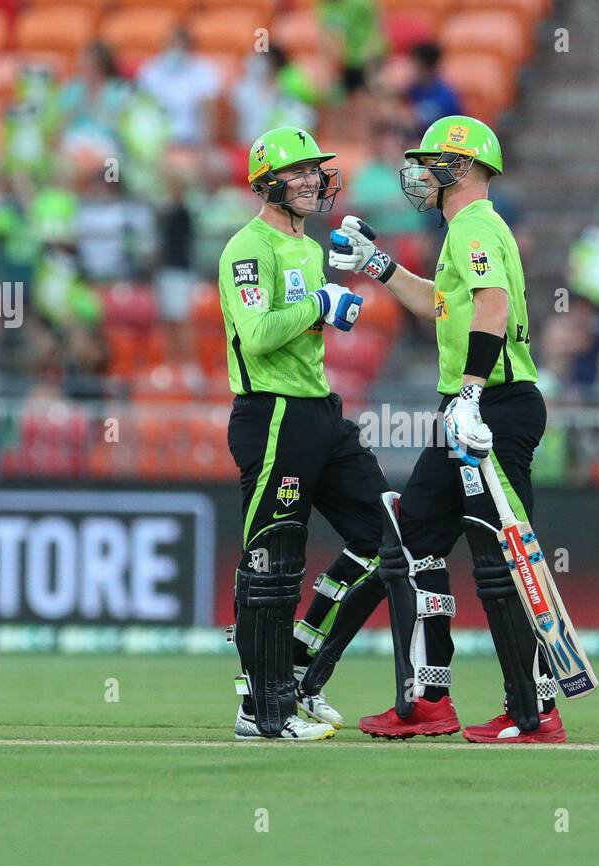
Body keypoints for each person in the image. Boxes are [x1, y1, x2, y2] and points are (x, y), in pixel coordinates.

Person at [329, 116, 567, 743]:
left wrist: (470, 393)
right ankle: (429, 697)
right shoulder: (469, 230)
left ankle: (534, 710)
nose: (418, 173)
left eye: (429, 161)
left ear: (459, 167)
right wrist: (378, 266)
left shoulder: (475, 225)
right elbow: (445, 302)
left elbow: (494, 307)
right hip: (475, 407)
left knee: (499, 558)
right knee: (411, 539)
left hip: (490, 405)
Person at [219, 127, 390, 741]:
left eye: (318, 170)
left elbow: (298, 327)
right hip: (272, 417)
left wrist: (328, 307)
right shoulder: (248, 247)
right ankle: (262, 707)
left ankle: (299, 673)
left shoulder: (310, 247)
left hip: (320, 413)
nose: (315, 180)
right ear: (269, 183)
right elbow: (259, 334)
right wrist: (320, 306)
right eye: (301, 172)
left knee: (387, 538)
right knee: (272, 562)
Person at [135, 28, 221, 148]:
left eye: (179, 46)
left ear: (189, 48)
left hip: (190, 140)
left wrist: (206, 147)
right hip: (156, 141)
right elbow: (140, 108)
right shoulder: (150, 70)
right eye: (171, 45)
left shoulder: (203, 71)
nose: (174, 50)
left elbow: (208, 112)